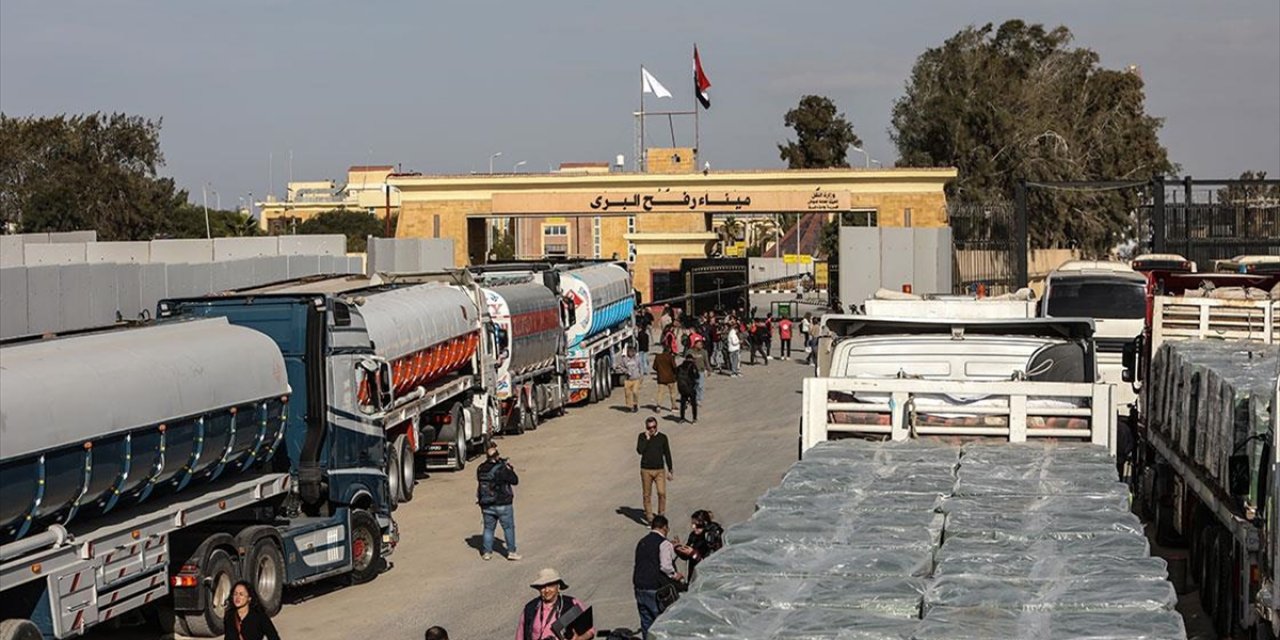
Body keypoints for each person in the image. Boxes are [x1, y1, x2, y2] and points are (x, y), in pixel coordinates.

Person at [632, 516, 684, 639]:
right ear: (664, 527)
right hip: (655, 588)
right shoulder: (663, 543)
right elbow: (665, 567)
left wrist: (673, 550)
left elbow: (650, 560)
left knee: (646, 623)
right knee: (660, 622)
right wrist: (675, 575)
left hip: (639, 587)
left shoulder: (642, 541)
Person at [516, 568, 595, 640]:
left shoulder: (572, 604)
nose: (546, 590)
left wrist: (579, 639)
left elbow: (590, 631)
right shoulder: (530, 609)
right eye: (542, 587)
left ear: (558, 586)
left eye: (550, 585)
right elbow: (519, 637)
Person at [477, 442, 521, 561]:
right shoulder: (501, 469)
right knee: (508, 528)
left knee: (488, 528)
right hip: (503, 504)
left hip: (486, 504)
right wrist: (509, 469)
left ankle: (487, 553)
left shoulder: (481, 468)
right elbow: (515, 480)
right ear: (496, 455)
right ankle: (511, 552)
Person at [636, 416, 673, 524]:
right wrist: (647, 439)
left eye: (654, 427)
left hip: (659, 470)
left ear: (657, 426)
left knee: (661, 493)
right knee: (647, 495)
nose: (652, 429)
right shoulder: (642, 437)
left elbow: (667, 453)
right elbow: (639, 450)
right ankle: (650, 518)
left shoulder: (663, 437)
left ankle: (661, 515)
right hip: (646, 470)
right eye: (649, 427)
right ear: (646, 428)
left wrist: (670, 469)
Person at [674, 510, 724, 582]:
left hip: (707, 578)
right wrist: (678, 548)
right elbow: (687, 555)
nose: (694, 527)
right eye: (693, 524)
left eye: (697, 525)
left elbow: (710, 562)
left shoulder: (712, 536)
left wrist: (693, 554)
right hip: (694, 576)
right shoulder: (693, 536)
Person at [616, 344, 645, 412]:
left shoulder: (637, 359)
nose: (631, 353)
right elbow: (619, 366)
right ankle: (630, 406)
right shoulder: (624, 359)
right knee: (627, 393)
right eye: (630, 352)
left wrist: (641, 375)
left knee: (635, 392)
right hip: (628, 379)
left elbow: (641, 367)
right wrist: (625, 371)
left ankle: (635, 404)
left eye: (632, 352)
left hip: (636, 379)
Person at [651, 345, 677, 412]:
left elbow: (654, 367)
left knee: (660, 393)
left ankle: (658, 406)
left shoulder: (658, 357)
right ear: (669, 351)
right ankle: (673, 406)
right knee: (672, 393)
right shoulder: (671, 357)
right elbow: (674, 367)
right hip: (670, 378)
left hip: (661, 378)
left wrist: (660, 371)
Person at [675, 353, 700, 424]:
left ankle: (682, 418)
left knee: (682, 403)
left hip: (682, 387)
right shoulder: (693, 366)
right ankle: (694, 418)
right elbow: (697, 376)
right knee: (693, 403)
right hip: (691, 387)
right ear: (691, 359)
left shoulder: (680, 366)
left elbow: (676, 376)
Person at [686, 335, 710, 405]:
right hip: (692, 371)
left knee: (700, 385)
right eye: (699, 344)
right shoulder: (689, 351)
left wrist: (708, 369)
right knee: (693, 385)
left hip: (700, 370)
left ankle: (698, 399)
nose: (701, 345)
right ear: (695, 344)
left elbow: (706, 361)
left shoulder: (704, 352)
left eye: (702, 344)